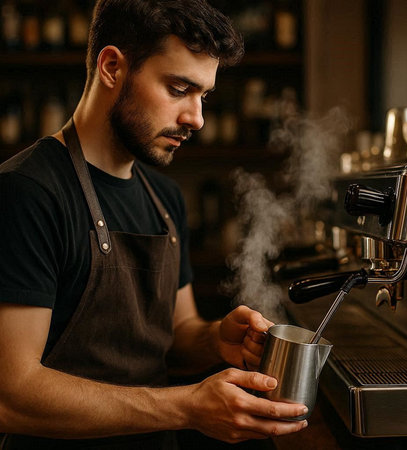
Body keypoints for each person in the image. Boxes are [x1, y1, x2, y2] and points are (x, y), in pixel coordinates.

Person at [0, 1, 308, 448]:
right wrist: (186, 406)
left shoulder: (164, 199)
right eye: (179, 88)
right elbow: (12, 394)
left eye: (204, 96)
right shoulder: (26, 193)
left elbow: (176, 336)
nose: (196, 118)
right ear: (111, 67)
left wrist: (215, 340)